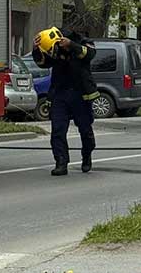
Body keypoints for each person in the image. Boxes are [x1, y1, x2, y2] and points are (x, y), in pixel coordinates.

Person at [32, 27, 98, 177]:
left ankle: (87, 155)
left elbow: (90, 54)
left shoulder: (82, 42)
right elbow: (43, 63)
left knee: (85, 130)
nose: (55, 52)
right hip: (60, 94)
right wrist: (36, 49)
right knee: (58, 131)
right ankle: (61, 163)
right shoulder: (54, 47)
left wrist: (71, 45)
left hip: (80, 94)